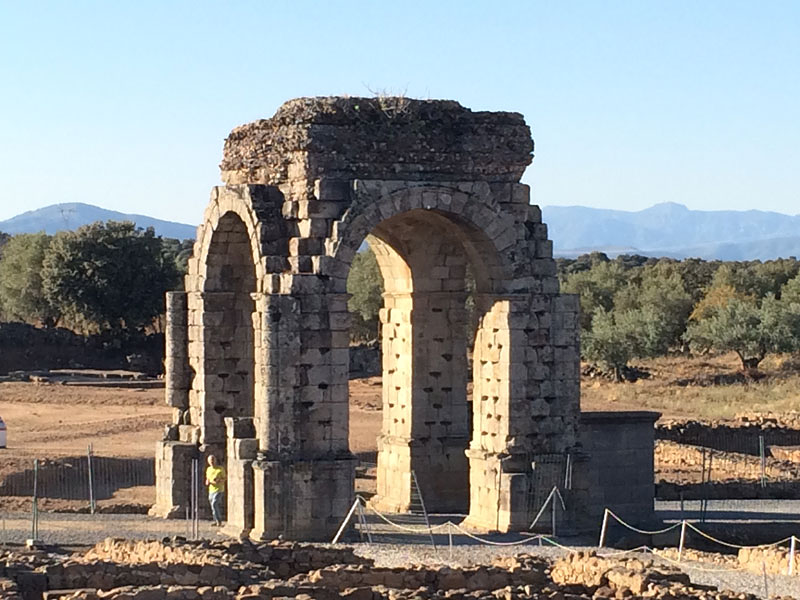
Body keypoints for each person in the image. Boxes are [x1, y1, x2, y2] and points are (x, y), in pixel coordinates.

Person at [204, 454, 226, 527]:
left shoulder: (220, 469)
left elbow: (225, 478)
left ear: (215, 460)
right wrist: (207, 482)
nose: (212, 462)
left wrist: (219, 480)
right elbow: (208, 479)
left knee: (214, 503)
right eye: (210, 460)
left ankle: (219, 520)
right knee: (212, 506)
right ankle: (215, 520)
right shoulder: (208, 469)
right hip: (211, 490)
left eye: (213, 460)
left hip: (219, 489)